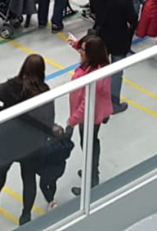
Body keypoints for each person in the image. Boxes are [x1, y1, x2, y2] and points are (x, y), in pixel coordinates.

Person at [0, 54, 58, 223]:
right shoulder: (44, 91)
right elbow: (48, 118)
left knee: (0, 170)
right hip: (32, 144)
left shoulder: (12, 87)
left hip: (8, 139)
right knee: (29, 179)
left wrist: (15, 80)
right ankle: (25, 215)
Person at [65, 34, 112, 194]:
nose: (80, 51)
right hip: (90, 114)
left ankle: (91, 179)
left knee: (89, 144)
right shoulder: (96, 63)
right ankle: (91, 171)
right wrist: (76, 43)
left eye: (83, 50)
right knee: (89, 143)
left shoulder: (96, 75)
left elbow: (87, 104)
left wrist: (72, 120)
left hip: (90, 116)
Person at [90, 0, 138, 112]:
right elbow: (133, 19)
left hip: (101, 34)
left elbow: (93, 9)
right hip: (119, 37)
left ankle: (94, 98)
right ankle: (113, 103)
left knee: (97, 68)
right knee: (116, 72)